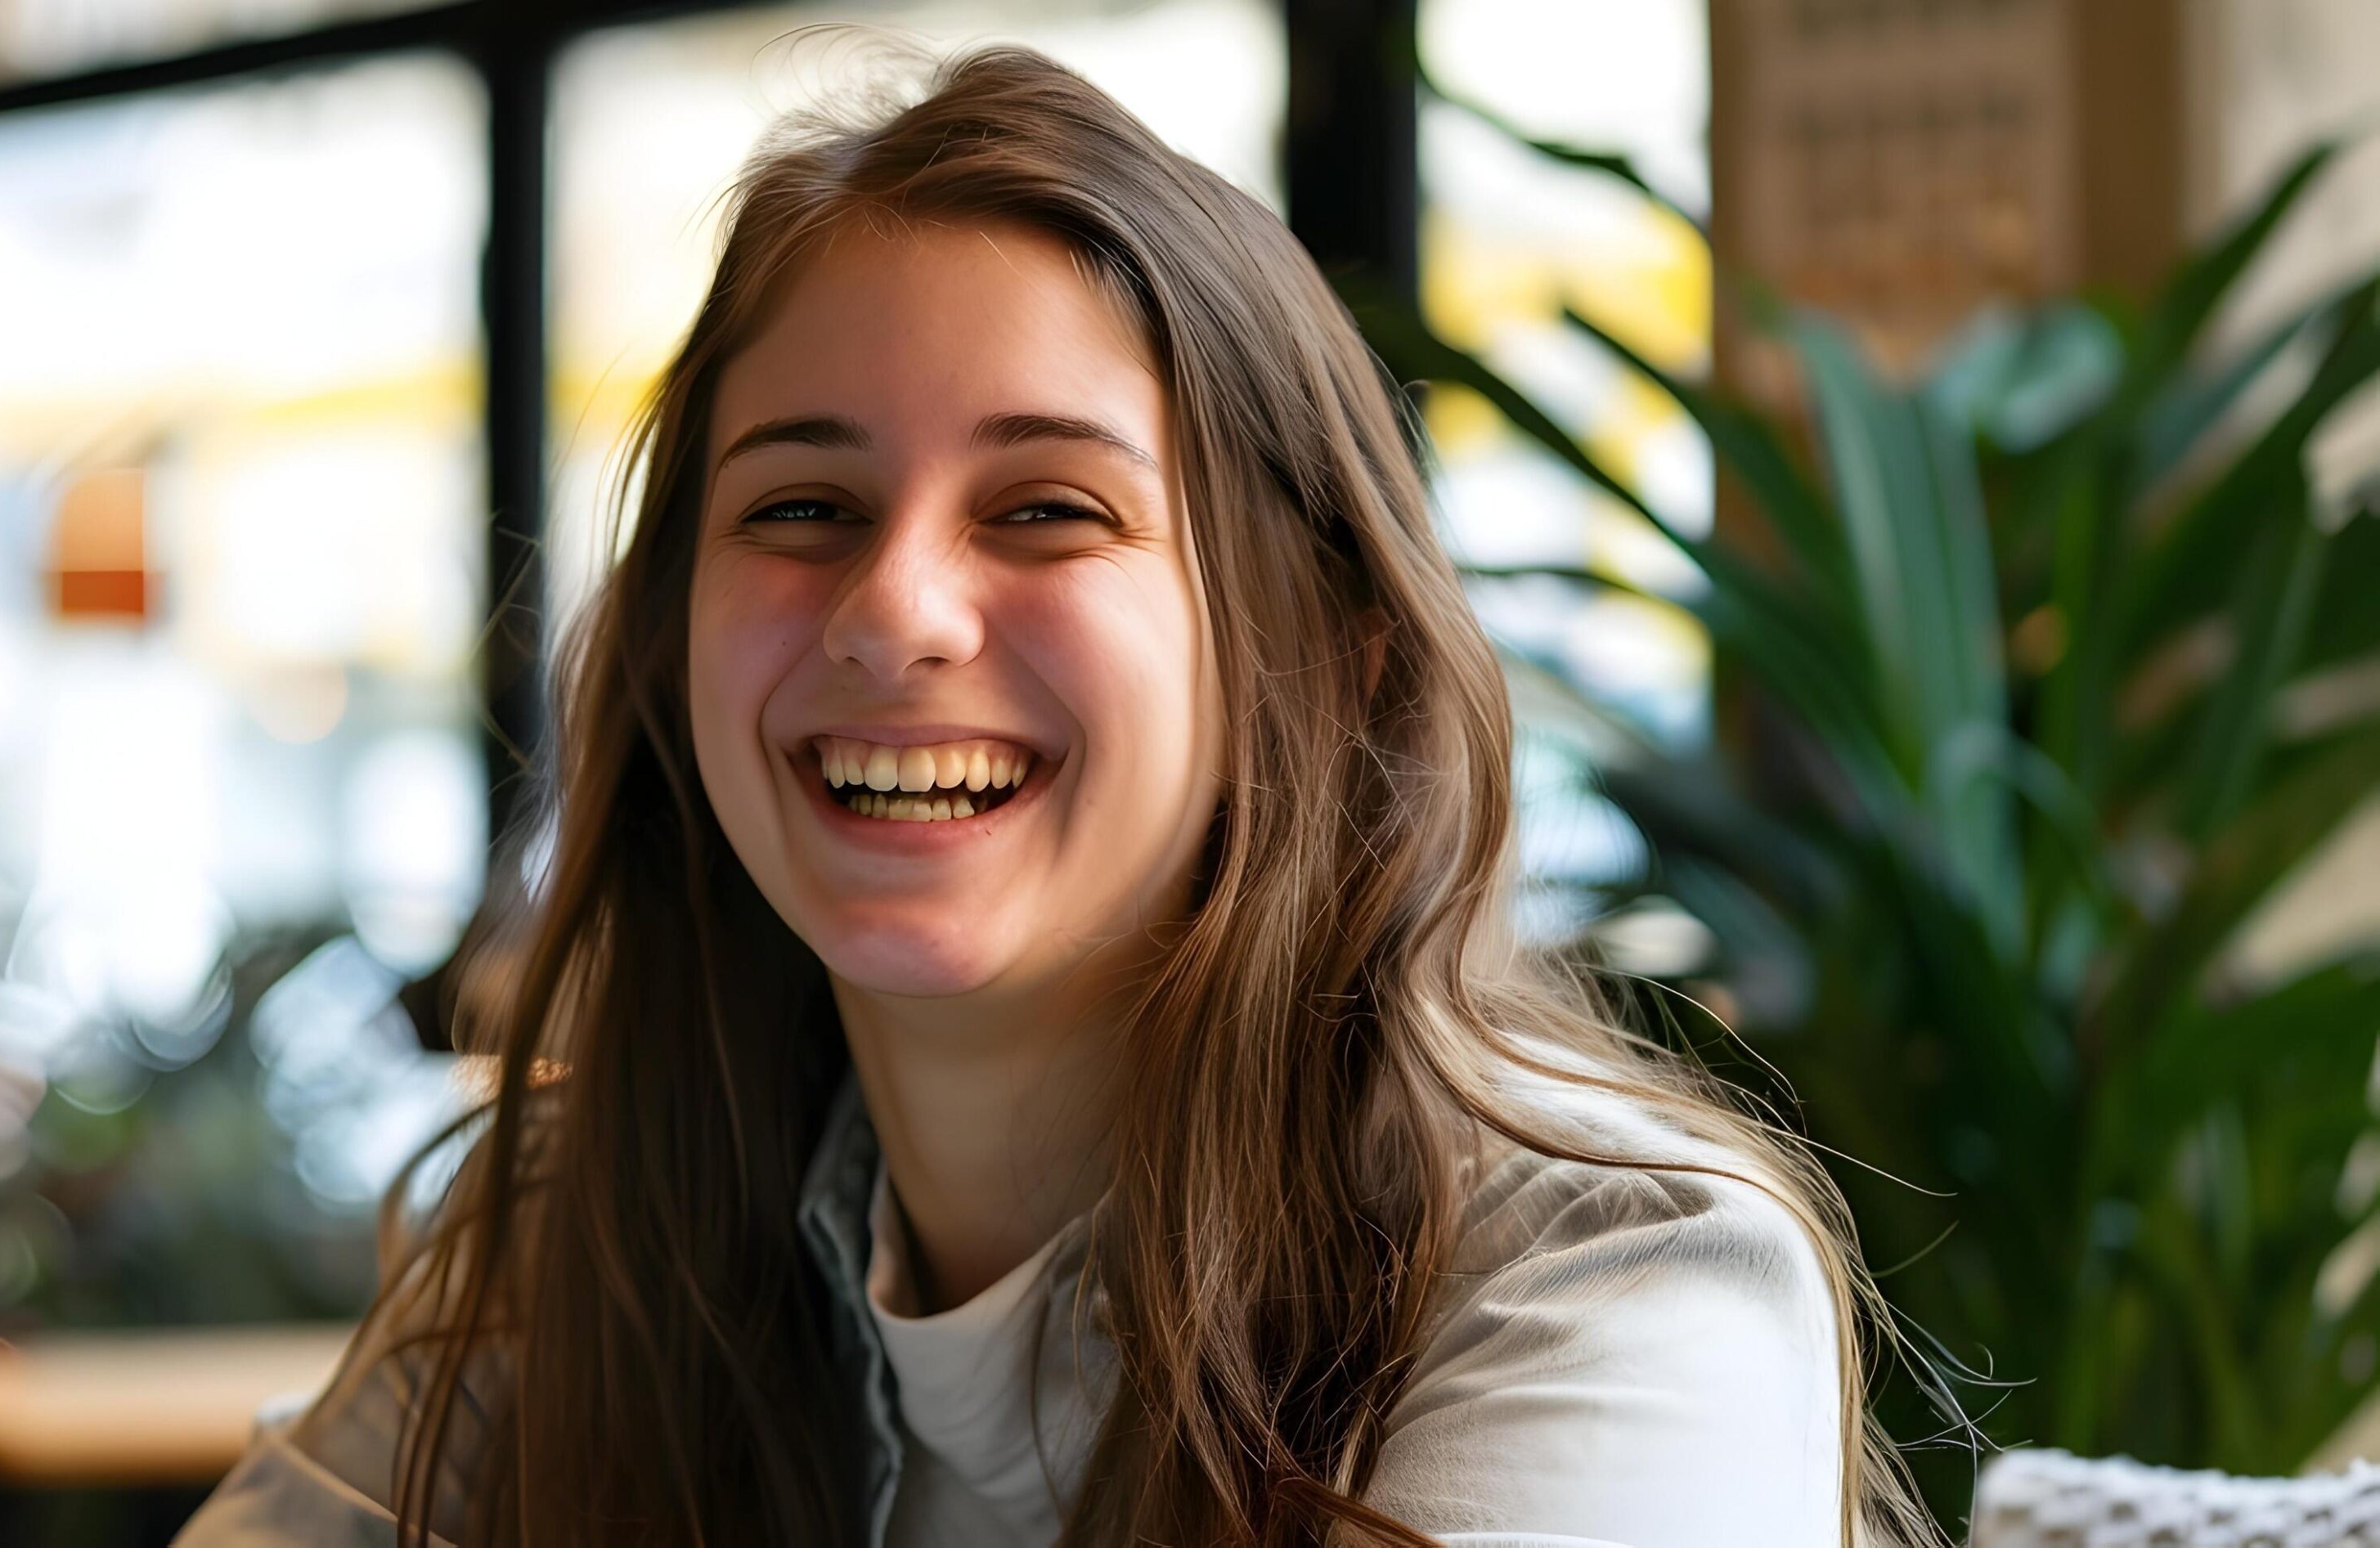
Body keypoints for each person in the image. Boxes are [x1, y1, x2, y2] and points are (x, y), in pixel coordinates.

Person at [179, 47, 1926, 1548]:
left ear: (1325, 658)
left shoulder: (1613, 1286)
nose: (892, 611)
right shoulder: (589, 1235)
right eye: (800, 510)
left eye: (1046, 510)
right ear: (663, 646)